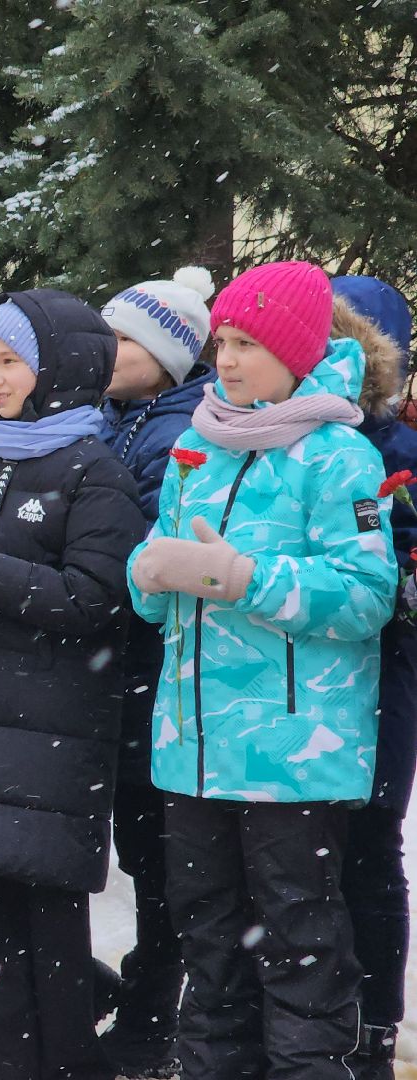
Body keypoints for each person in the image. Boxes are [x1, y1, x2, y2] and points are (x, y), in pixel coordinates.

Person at [130, 262, 396, 1080]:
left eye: (248, 343)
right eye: (222, 342)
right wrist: (149, 574)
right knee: (209, 946)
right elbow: (157, 594)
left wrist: (243, 578)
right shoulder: (195, 448)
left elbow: (366, 595)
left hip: (292, 753)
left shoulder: (339, 457)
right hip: (193, 748)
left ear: (297, 351)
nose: (228, 360)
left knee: (299, 945)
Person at [0, 290, 140, 1080]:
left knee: (45, 914)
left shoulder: (95, 472)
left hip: (54, 727)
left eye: (11, 361)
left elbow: (93, 598)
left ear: (61, 369)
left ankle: (61, 1064)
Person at [96, 266, 217, 1074]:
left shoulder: (181, 432)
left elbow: (129, 543)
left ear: (169, 353)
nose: (107, 350)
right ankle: (143, 1004)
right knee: (140, 849)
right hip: (118, 671)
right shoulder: (113, 418)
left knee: (161, 856)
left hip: (154, 666)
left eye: (124, 339)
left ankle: (156, 1015)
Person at [331, 274, 417, 1080]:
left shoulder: (397, 453)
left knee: (367, 851)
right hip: (304, 690)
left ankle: (371, 1030)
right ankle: (315, 1022)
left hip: (382, 680)